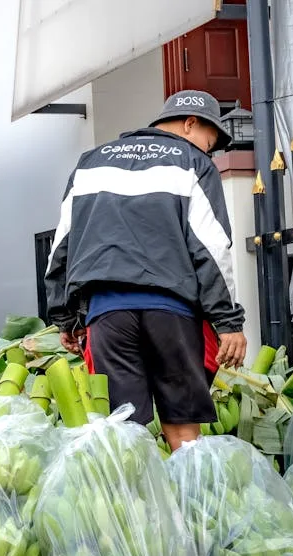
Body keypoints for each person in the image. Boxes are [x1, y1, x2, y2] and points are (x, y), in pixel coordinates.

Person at [44, 89, 247, 451]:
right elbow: (214, 249)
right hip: (171, 313)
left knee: (125, 431)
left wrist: (65, 318)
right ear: (190, 123)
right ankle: (189, 506)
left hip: (107, 313)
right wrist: (228, 322)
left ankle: (136, 507)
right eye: (210, 142)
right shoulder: (192, 162)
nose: (209, 152)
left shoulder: (90, 162)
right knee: (184, 432)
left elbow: (61, 245)